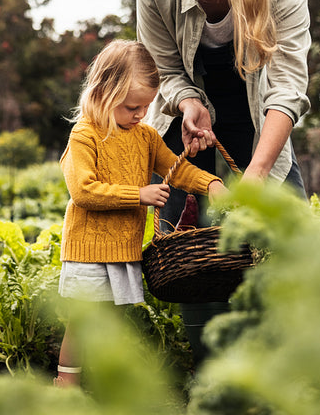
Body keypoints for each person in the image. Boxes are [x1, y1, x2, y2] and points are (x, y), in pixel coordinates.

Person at [136, 0, 311, 363]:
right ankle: (211, 374)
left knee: (285, 243)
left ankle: (283, 369)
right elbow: (164, 70)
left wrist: (255, 174)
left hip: (259, 117)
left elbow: (287, 85)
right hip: (188, 127)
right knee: (196, 259)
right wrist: (189, 103)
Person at [54, 39, 225, 387]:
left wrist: (210, 184)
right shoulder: (85, 135)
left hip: (123, 250)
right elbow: (83, 191)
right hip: (89, 249)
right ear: (103, 92)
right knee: (83, 319)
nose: (140, 115)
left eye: (146, 106)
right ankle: (65, 385)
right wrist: (139, 194)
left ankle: (102, 381)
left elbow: (174, 169)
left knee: (111, 320)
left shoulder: (145, 136)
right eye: (132, 106)